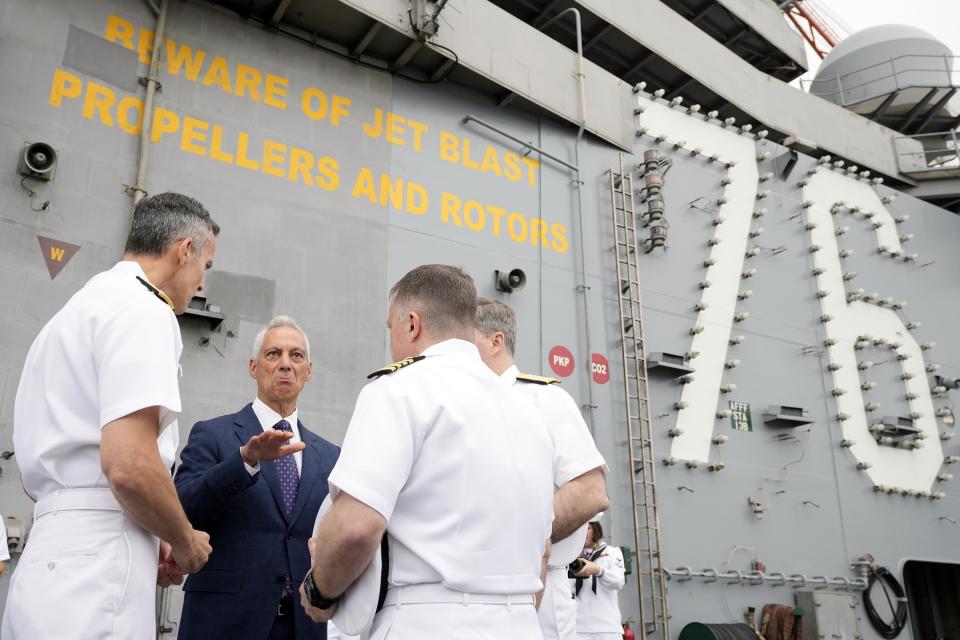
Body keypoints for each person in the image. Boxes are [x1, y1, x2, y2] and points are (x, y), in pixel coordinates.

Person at [2, 192, 217, 638]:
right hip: (99, 559)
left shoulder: (69, 316)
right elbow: (129, 466)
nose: (199, 283)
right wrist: (183, 540)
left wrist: (152, 529)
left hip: (48, 553)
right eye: (205, 267)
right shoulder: (145, 309)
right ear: (184, 251)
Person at [300, 264, 556, 640]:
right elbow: (544, 548)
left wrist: (318, 591)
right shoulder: (532, 414)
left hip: (426, 621)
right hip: (522, 624)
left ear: (412, 324)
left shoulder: (398, 390)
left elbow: (355, 527)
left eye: (391, 328)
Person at [175, 316, 340, 640]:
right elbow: (182, 508)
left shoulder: (331, 456)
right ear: (253, 367)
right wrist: (244, 461)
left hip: (303, 626)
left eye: (296, 356)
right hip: (224, 623)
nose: (285, 364)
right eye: (273, 354)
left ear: (308, 371)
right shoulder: (214, 435)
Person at [474, 298, 609, 640]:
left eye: (465, 340)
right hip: (468, 589)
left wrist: (522, 539)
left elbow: (591, 492)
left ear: (496, 341)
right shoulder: (459, 404)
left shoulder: (544, 400)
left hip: (539, 585)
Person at [572, 521, 625, 640]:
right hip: (576, 628)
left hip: (608, 627)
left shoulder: (612, 552)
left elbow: (618, 581)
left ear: (596, 529)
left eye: (588, 528)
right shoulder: (569, 557)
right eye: (579, 528)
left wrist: (599, 571)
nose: (583, 532)